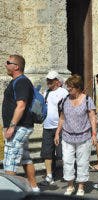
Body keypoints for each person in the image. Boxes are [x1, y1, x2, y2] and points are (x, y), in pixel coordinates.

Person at [54, 74, 97, 196]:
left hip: (84, 136)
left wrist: (94, 134)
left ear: (78, 87)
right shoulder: (65, 100)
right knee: (67, 161)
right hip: (67, 136)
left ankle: (81, 187)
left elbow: (92, 118)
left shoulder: (87, 100)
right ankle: (70, 186)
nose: (68, 89)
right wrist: (57, 133)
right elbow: (62, 118)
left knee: (82, 162)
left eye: (71, 87)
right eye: (67, 87)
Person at [2, 54, 40, 192]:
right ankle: (34, 188)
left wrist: (11, 127)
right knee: (25, 158)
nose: (5, 64)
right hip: (20, 126)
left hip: (19, 126)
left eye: (8, 62)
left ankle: (7, 192)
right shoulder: (17, 81)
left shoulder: (22, 82)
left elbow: (21, 105)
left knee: (10, 160)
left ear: (16, 66)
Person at [40, 71, 68, 185]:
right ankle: (49, 176)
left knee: (62, 153)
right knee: (47, 152)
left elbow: (66, 110)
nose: (48, 82)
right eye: (47, 80)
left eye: (51, 80)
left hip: (60, 127)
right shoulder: (46, 92)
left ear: (57, 81)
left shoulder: (63, 92)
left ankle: (69, 173)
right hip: (47, 126)